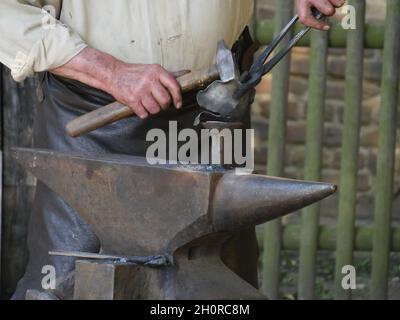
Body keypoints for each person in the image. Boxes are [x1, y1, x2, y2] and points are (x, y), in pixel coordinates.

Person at [0, 0, 344, 299]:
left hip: (217, 105)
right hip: (95, 115)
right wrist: (109, 72)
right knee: (71, 283)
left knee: (223, 283)